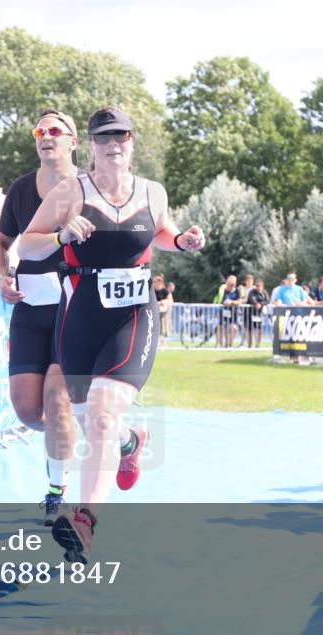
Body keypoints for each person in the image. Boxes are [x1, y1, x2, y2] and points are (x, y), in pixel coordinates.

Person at [19, 106, 206, 562]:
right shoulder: (70, 191)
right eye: (104, 138)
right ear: (92, 145)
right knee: (92, 422)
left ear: (132, 141)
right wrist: (62, 235)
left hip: (133, 316)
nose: (113, 144)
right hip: (80, 315)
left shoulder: (153, 191)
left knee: (101, 414)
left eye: (121, 136)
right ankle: (131, 443)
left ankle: (84, 522)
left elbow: (158, 231)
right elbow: (27, 243)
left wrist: (180, 241)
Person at [0, 109, 81, 526]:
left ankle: (56, 493)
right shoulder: (22, 189)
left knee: (58, 399)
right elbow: (1, 246)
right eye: (40, 131)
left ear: (73, 142)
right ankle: (115, 436)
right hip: (29, 308)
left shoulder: (89, 187)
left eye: (55, 131)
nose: (46, 137)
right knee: (29, 412)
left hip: (74, 309)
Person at [217, 274, 241, 347]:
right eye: (229, 284)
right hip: (223, 311)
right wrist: (225, 302)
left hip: (233, 313)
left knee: (234, 328)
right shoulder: (223, 289)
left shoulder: (237, 290)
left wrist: (232, 302)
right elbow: (221, 299)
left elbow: (239, 301)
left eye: (232, 284)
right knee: (220, 327)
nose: (231, 286)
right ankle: (220, 345)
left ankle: (229, 344)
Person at [245, 278, 268, 348]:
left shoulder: (264, 292)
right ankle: (249, 345)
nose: (258, 287)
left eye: (260, 285)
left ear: (262, 286)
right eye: (257, 285)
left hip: (258, 314)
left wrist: (261, 304)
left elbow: (267, 301)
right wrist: (256, 304)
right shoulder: (251, 292)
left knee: (260, 330)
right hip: (249, 314)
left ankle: (257, 345)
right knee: (249, 330)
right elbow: (251, 299)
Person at [154, 274, 173, 342]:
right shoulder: (152, 291)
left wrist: (161, 302)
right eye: (154, 281)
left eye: (157, 281)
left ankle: (163, 341)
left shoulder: (165, 291)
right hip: (154, 312)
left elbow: (170, 300)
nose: (155, 282)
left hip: (162, 312)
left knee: (163, 326)